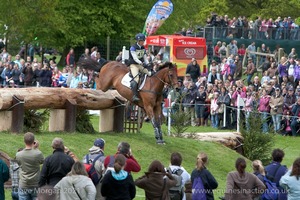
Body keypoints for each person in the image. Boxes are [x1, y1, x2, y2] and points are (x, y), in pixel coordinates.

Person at [16, 132, 44, 200]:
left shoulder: (18, 154)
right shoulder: (38, 153)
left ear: (24, 141)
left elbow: (19, 164)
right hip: (35, 184)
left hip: (23, 184)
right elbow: (42, 161)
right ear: (33, 141)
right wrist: (36, 148)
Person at [128, 33, 152, 102]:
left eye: (143, 41)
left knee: (150, 73)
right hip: (133, 65)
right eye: (142, 41)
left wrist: (148, 63)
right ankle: (134, 95)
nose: (143, 42)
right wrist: (141, 63)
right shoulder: (133, 48)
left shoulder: (143, 48)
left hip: (140, 65)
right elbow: (135, 58)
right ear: (138, 41)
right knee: (136, 78)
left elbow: (145, 58)